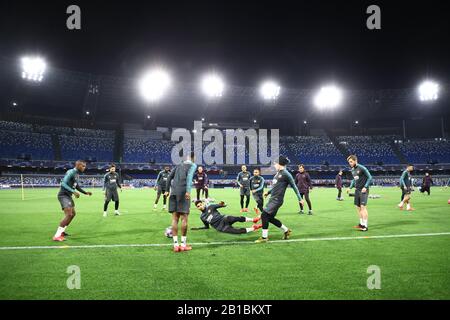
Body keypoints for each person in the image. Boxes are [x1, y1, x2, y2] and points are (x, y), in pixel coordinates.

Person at [255, 156, 303, 243]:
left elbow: (294, 186)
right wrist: (268, 192)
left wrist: (300, 199)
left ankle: (264, 238)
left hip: (277, 200)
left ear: (279, 164)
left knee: (264, 215)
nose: (274, 165)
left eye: (275, 164)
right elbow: (276, 187)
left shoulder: (286, 174)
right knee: (269, 218)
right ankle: (286, 230)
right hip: (273, 198)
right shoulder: (277, 174)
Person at [165, 153, 197, 252]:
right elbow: (189, 178)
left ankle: (175, 245)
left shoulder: (178, 165)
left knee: (175, 218)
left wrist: (166, 190)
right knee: (184, 218)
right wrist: (188, 191)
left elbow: (169, 177)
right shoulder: (193, 165)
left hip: (174, 192)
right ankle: (183, 245)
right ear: (193, 158)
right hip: (183, 192)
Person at [53, 160, 92, 241]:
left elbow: (76, 186)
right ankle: (56, 236)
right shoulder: (71, 172)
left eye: (85, 166)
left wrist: (85, 193)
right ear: (77, 165)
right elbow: (63, 183)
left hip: (68, 196)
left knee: (73, 214)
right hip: (63, 195)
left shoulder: (77, 174)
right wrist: (73, 191)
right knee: (69, 214)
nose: (84, 168)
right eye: (83, 166)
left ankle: (62, 232)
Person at [192, 200, 262, 234]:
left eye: (201, 204)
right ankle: (253, 228)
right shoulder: (202, 217)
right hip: (220, 227)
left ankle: (253, 220)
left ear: (203, 204)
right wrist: (197, 228)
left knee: (235, 218)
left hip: (223, 219)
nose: (200, 206)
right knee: (237, 231)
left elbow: (224, 205)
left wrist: (222, 204)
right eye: (198, 206)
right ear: (197, 208)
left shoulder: (210, 206)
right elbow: (207, 227)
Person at [346, 155, 372, 232]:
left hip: (363, 190)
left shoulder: (362, 168)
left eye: (351, 161)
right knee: (358, 208)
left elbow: (370, 177)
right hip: (357, 190)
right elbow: (354, 180)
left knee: (363, 207)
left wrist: (365, 186)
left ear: (355, 160)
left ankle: (365, 226)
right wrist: (350, 187)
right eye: (349, 162)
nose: (350, 163)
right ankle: (361, 224)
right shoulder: (352, 170)